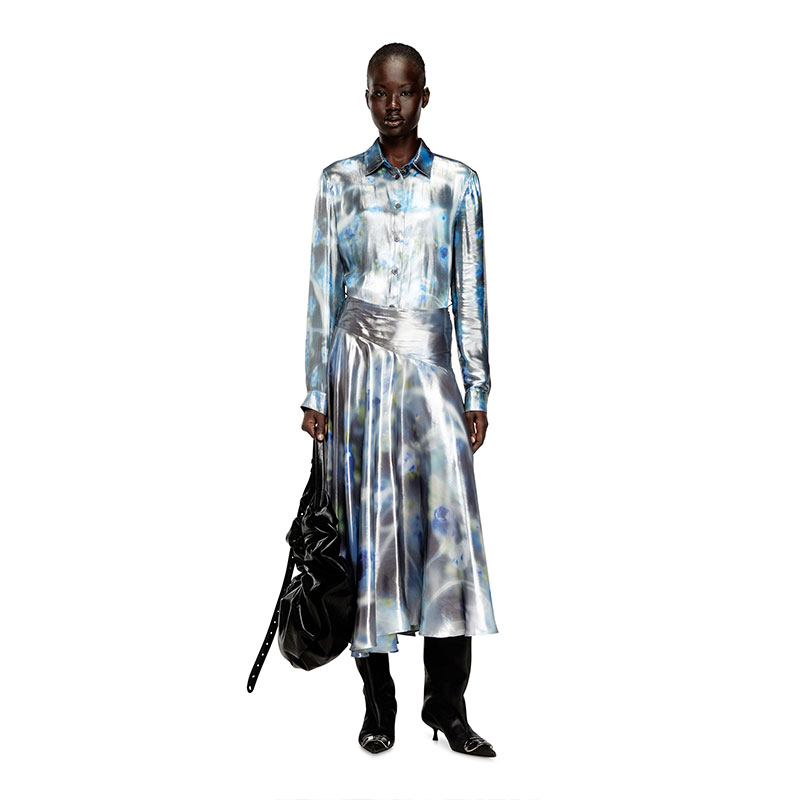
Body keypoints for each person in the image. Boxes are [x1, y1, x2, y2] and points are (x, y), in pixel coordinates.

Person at [300, 42, 499, 757]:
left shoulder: (457, 184)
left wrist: (476, 386)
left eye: (404, 91)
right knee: (367, 535)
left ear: (423, 96)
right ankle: (377, 702)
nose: (392, 104)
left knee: (447, 540)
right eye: (380, 92)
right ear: (367, 97)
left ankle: (446, 708)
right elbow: (323, 289)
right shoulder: (339, 182)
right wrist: (315, 391)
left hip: (431, 374)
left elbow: (469, 291)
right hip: (356, 376)